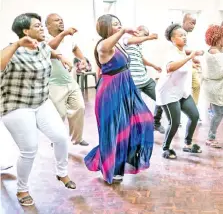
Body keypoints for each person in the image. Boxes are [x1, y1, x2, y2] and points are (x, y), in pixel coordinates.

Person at [1, 13, 76, 206]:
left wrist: (63, 58)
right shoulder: (12, 50)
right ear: (26, 31)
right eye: (38, 26)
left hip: (41, 102)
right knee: (29, 149)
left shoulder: (42, 46)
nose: (42, 28)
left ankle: (61, 173)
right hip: (16, 105)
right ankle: (22, 189)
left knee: (60, 137)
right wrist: (17, 45)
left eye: (42, 25)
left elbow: (50, 49)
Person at [84, 14, 154, 184]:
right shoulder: (103, 45)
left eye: (119, 23)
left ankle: (127, 159)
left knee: (145, 119)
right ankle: (114, 168)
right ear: (105, 28)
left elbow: (131, 42)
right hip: (111, 90)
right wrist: (123, 30)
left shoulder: (119, 44)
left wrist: (146, 36)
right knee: (116, 130)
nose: (119, 26)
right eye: (114, 24)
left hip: (125, 87)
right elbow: (106, 46)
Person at [156, 23, 203, 159]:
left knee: (194, 116)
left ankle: (188, 144)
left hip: (181, 92)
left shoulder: (182, 51)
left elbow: (183, 62)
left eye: (185, 35)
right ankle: (166, 148)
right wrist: (189, 58)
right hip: (168, 93)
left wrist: (192, 62)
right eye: (180, 35)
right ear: (172, 39)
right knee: (175, 122)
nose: (184, 37)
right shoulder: (171, 52)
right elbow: (170, 67)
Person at [45, 13, 88, 146]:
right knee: (60, 114)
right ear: (48, 25)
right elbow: (50, 48)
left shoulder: (69, 39)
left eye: (62, 20)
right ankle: (56, 139)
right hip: (53, 83)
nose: (61, 22)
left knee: (79, 107)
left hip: (70, 81)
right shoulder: (43, 38)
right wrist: (64, 34)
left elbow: (75, 48)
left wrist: (83, 59)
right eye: (57, 20)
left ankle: (77, 138)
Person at [126, 25, 165, 134]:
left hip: (145, 80)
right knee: (136, 109)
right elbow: (132, 40)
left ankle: (156, 123)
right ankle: (135, 131)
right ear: (137, 31)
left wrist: (153, 65)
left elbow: (141, 59)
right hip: (134, 83)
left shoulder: (138, 46)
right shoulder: (126, 40)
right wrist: (150, 37)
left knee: (162, 97)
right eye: (145, 34)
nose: (145, 38)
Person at [202, 25, 223, 148]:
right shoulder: (216, 53)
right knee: (219, 113)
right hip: (216, 88)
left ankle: (212, 136)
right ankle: (210, 137)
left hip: (215, 87)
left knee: (219, 112)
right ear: (217, 37)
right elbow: (222, 70)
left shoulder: (215, 50)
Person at [182, 14, 202, 119]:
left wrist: (193, 60)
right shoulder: (178, 32)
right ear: (185, 21)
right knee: (179, 91)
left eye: (194, 24)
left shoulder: (186, 34)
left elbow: (185, 53)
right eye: (191, 23)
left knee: (196, 85)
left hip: (188, 66)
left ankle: (193, 110)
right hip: (178, 67)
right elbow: (180, 50)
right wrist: (195, 53)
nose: (193, 26)